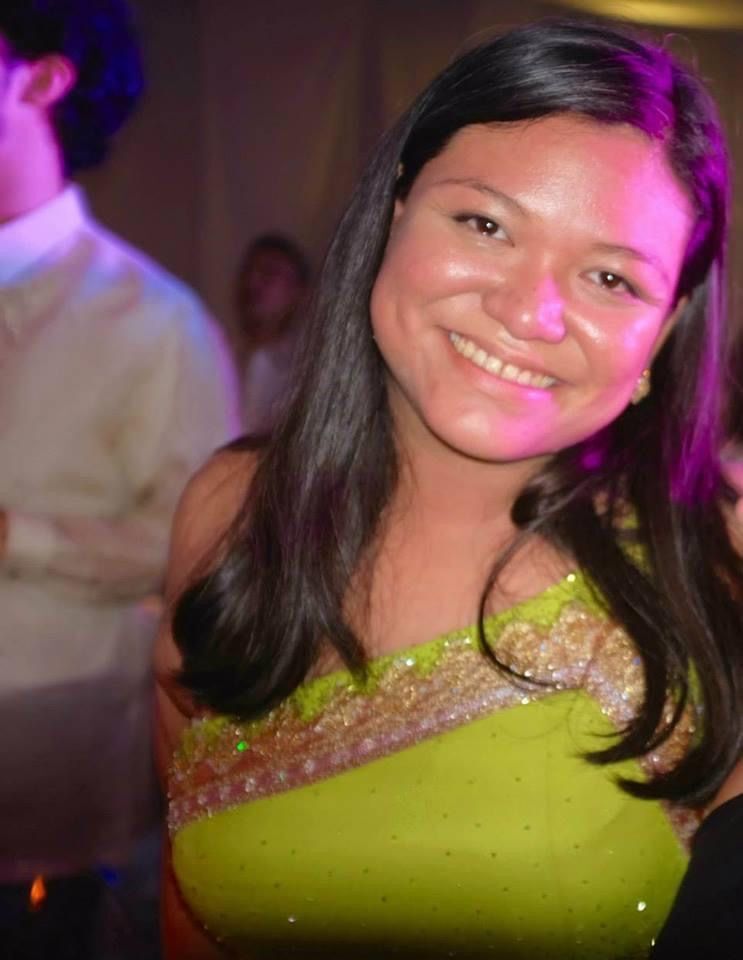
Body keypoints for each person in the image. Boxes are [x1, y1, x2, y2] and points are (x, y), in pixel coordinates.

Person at [155, 17, 743, 960]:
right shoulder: (231, 511)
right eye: (484, 224)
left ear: (663, 330)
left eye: (608, 277)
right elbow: (188, 913)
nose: (526, 312)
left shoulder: (709, 561)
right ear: (395, 209)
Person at [0, 1, 240, 956]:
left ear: (44, 79)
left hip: (40, 817)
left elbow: (196, 554)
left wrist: (18, 536)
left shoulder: (155, 324)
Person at [233, 233, 310, 435]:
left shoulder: (308, 373)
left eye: (269, 274)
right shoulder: (220, 355)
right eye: (248, 273)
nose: (253, 284)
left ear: (300, 291)